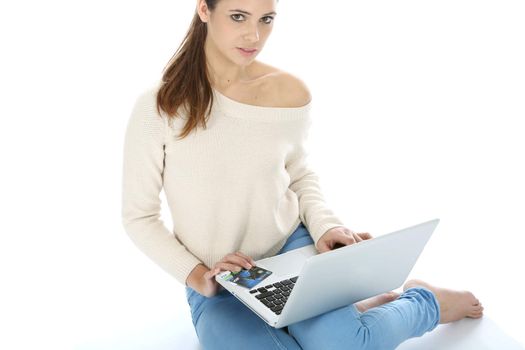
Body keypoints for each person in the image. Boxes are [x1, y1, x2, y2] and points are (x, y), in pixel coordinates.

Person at [121, 0, 484, 349]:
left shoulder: (286, 92)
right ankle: (360, 311)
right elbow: (139, 217)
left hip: (289, 254)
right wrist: (199, 276)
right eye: (238, 16)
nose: (254, 36)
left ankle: (424, 301)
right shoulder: (159, 107)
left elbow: (298, 175)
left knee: (344, 347)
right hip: (219, 282)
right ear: (204, 9)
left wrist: (326, 226)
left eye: (266, 19)